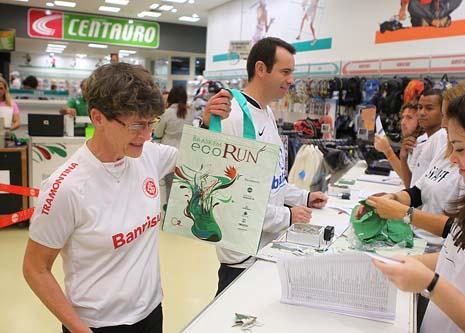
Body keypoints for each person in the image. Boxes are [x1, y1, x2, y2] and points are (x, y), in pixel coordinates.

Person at [23, 62, 230, 333]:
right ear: (98, 118)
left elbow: (198, 161)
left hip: (151, 312)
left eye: (150, 124)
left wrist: (206, 121)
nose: (146, 135)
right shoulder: (66, 187)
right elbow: (35, 268)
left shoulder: (147, 156)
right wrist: (78, 329)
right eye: (135, 125)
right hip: (98, 325)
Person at [373, 83, 465, 333]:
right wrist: (404, 263)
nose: (453, 158)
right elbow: (455, 258)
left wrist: (430, 284)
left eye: (460, 149)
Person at [210, 37, 328, 296]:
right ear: (261, 69)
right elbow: (231, 197)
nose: (290, 80)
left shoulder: (267, 113)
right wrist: (287, 216)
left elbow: (273, 181)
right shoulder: (233, 117)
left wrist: (304, 197)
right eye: (285, 72)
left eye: (291, 72)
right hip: (241, 258)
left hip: (267, 247)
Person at [357, 81, 465, 247]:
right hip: (417, 239)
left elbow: (460, 228)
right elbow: (418, 191)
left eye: (446, 116)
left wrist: (403, 213)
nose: (443, 123)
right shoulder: (441, 141)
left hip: (440, 248)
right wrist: (391, 199)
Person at [154, 85, 194, 203]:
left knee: (168, 187)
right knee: (182, 188)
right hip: (185, 154)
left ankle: (168, 216)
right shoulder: (190, 113)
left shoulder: (167, 113)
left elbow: (158, 133)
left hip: (168, 154)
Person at [404, 89, 447, 188]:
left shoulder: (442, 137)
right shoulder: (421, 140)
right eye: (420, 107)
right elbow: (411, 185)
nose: (422, 113)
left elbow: (435, 188)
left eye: (429, 108)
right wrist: (403, 157)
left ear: (443, 111)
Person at [374, 102, 422, 185]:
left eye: (409, 117)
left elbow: (410, 182)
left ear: (421, 121)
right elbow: (406, 176)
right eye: (402, 117)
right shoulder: (411, 141)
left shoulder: (422, 144)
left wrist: (388, 151)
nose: (403, 122)